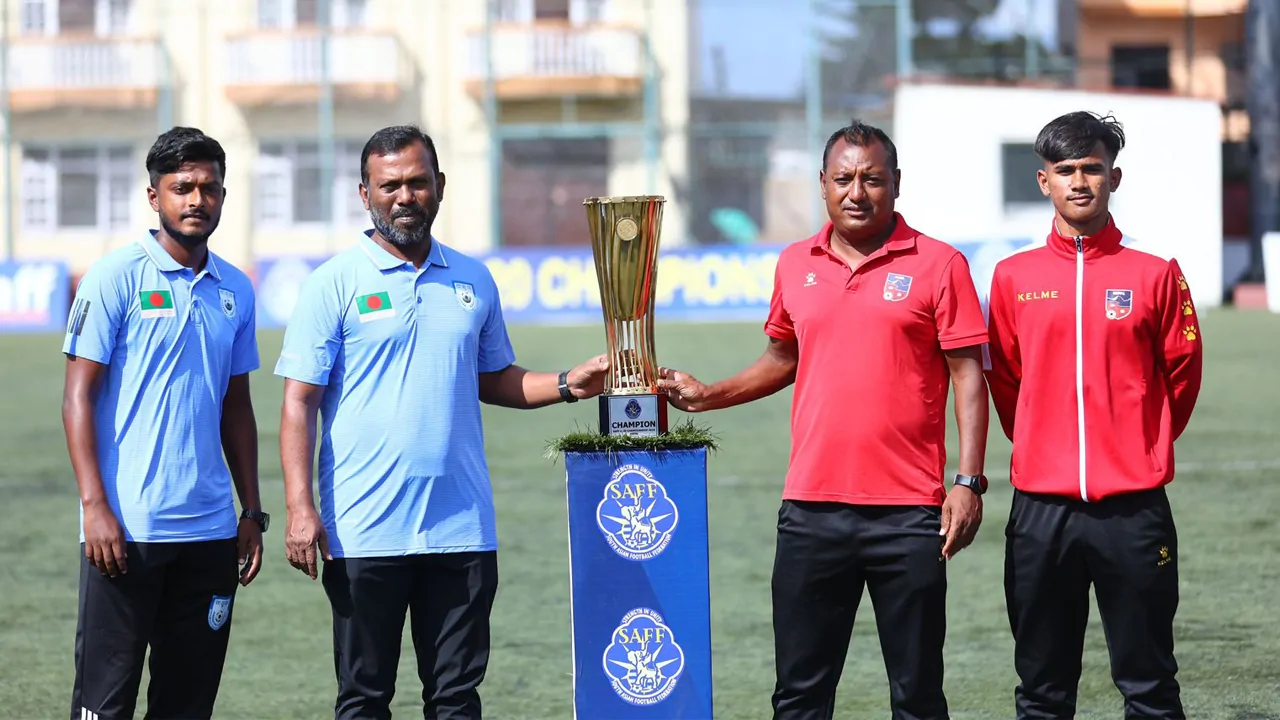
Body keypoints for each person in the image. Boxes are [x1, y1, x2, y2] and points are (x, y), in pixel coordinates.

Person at [658, 119, 991, 720]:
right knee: (800, 698)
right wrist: (709, 395)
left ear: (896, 184)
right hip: (812, 514)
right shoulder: (794, 263)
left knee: (918, 697)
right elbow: (782, 358)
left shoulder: (940, 265)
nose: (857, 192)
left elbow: (969, 374)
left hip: (910, 516)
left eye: (872, 179)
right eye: (844, 179)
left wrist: (968, 483)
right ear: (822, 184)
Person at [276, 124, 609, 720]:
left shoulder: (472, 279)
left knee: (456, 701)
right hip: (362, 530)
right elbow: (298, 402)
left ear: (440, 187)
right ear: (365, 193)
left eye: (417, 182)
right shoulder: (332, 283)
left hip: (461, 529)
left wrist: (565, 384)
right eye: (389, 185)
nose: (404, 196)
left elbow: (492, 377)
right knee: (364, 699)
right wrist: (302, 509)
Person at [984, 111, 1204, 719]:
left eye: (1092, 168)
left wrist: (1140, 440)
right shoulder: (1012, 277)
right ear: (1043, 181)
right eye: (1066, 170)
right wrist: (1040, 439)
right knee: (1042, 691)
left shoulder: (1156, 273)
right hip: (1041, 511)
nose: (1079, 181)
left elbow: (1182, 374)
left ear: (1115, 177)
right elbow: (1004, 379)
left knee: (1151, 684)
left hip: (1134, 510)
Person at [61, 126, 266, 720]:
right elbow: (77, 397)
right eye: (182, 188)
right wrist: (94, 507)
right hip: (125, 532)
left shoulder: (236, 289)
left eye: (209, 188)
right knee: (104, 705)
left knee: (187, 705)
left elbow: (237, 407)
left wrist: (249, 512)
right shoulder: (114, 277)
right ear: (155, 197)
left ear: (224, 196)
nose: (197, 200)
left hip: (208, 536)